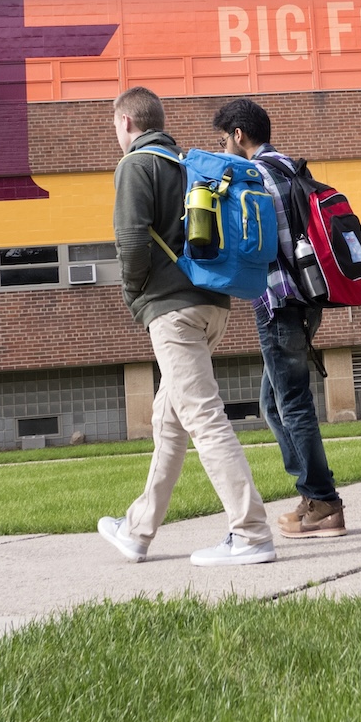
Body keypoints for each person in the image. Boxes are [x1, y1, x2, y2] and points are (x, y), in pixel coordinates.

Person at [97, 86, 276, 567]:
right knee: (168, 420)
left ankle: (252, 532)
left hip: (172, 311)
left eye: (115, 125)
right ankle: (137, 530)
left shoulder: (137, 165)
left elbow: (132, 240)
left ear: (128, 123)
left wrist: (135, 295)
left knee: (202, 417)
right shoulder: (187, 164)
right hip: (213, 305)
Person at [213, 97, 347, 539]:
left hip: (279, 302)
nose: (223, 146)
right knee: (275, 404)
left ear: (238, 135)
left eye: (223, 138)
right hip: (310, 298)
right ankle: (313, 497)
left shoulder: (254, 175)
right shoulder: (293, 168)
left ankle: (323, 502)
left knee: (293, 404)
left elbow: (251, 244)